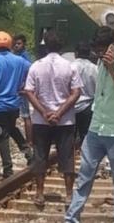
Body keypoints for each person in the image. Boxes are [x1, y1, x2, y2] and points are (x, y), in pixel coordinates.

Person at [65, 26, 114, 223]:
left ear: (113, 45)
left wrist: (112, 69)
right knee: (84, 177)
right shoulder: (99, 62)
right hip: (96, 128)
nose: (99, 54)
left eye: (102, 50)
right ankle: (71, 218)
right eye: (97, 51)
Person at [24, 30, 82, 207]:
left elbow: (29, 92)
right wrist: (59, 113)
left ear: (45, 46)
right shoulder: (70, 66)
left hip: (41, 121)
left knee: (40, 156)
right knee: (67, 157)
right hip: (65, 121)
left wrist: (44, 112)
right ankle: (69, 195)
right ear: (61, 46)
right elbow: (76, 92)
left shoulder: (36, 66)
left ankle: (40, 194)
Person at [0, 31, 33, 179]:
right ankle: (28, 153)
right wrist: (24, 86)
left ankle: (7, 169)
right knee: (12, 128)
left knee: (2, 136)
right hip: (14, 104)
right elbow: (32, 69)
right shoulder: (20, 61)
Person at [70, 41, 98, 145]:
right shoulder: (95, 69)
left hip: (71, 106)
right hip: (88, 107)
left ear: (75, 53)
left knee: (69, 138)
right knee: (86, 138)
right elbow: (98, 89)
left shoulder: (70, 67)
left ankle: (69, 159)